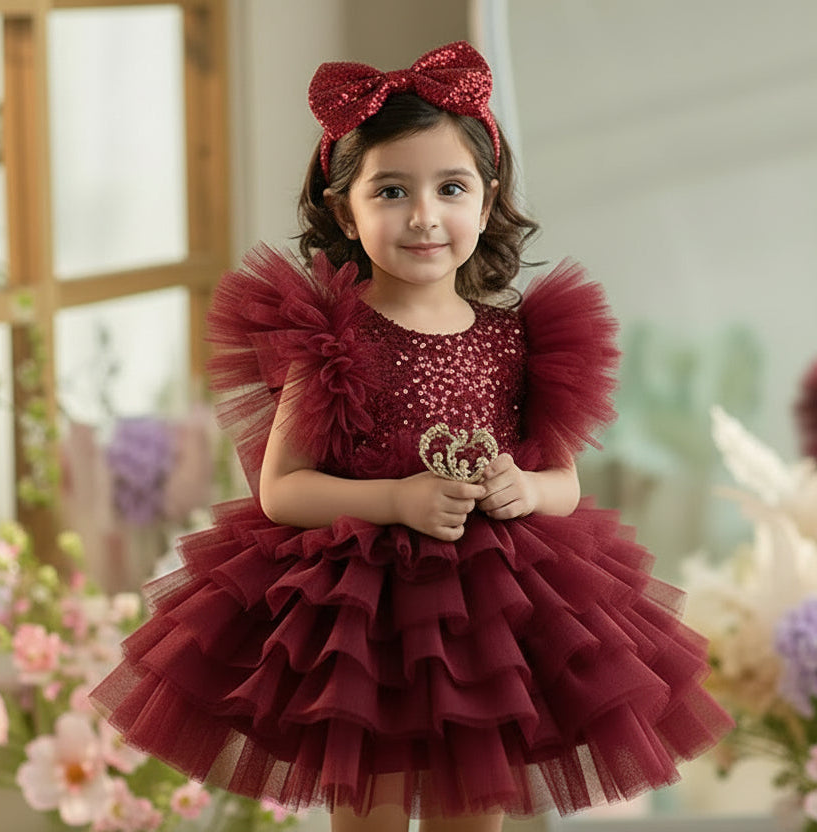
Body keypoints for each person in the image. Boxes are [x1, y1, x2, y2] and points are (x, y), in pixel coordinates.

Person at [91, 41, 733, 832]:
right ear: (343, 210)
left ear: (487, 199)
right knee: (372, 806)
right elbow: (283, 488)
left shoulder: (521, 338)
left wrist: (524, 488)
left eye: (450, 188)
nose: (425, 215)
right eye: (391, 190)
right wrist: (397, 497)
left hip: (489, 616)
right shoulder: (331, 335)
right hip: (358, 620)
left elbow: (564, 483)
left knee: (474, 803)